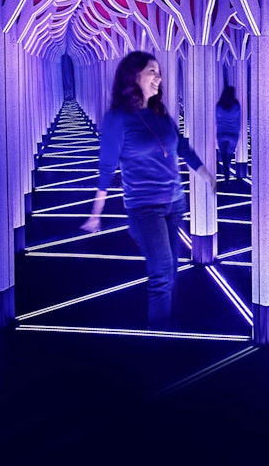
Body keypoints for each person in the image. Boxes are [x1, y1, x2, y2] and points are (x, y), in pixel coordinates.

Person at [82, 51, 215, 330]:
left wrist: (206, 176)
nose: (159, 77)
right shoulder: (117, 119)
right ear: (134, 76)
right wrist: (96, 213)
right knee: (162, 272)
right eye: (152, 71)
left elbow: (182, 147)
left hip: (174, 203)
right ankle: (160, 334)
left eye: (158, 72)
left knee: (171, 269)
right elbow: (106, 167)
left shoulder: (160, 113)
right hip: (144, 207)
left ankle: (169, 325)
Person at [215, 85, 241, 185]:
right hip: (233, 134)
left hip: (222, 133)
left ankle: (226, 178)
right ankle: (228, 173)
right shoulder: (236, 105)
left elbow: (217, 120)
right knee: (229, 155)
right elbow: (238, 120)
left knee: (224, 157)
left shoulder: (219, 105)